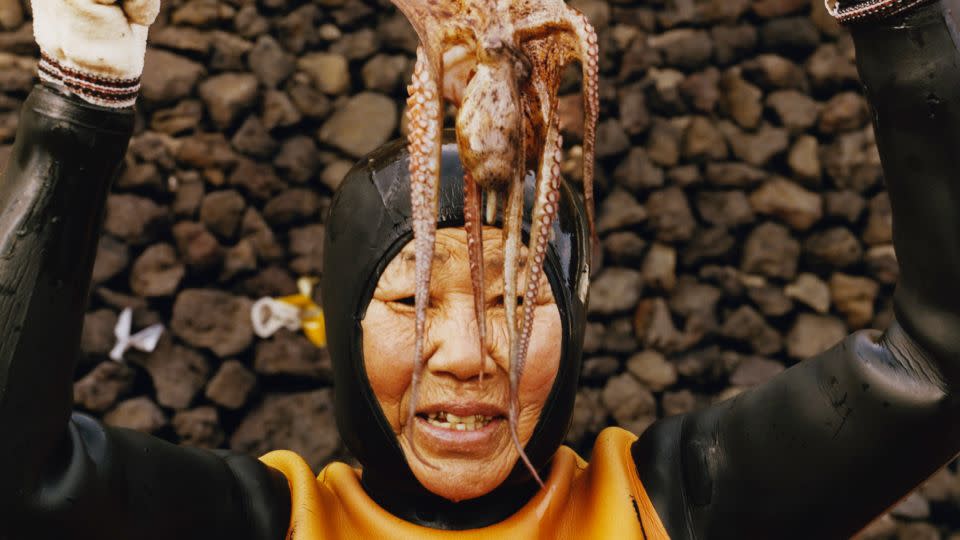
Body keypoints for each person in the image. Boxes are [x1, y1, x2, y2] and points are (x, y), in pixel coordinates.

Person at [1, 0, 959, 537]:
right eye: (412, 296)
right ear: (338, 322)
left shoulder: (664, 510)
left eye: (513, 298)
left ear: (577, 323)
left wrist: (899, 19)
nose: (465, 353)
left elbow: (938, 364)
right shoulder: (274, 526)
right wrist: (80, 99)